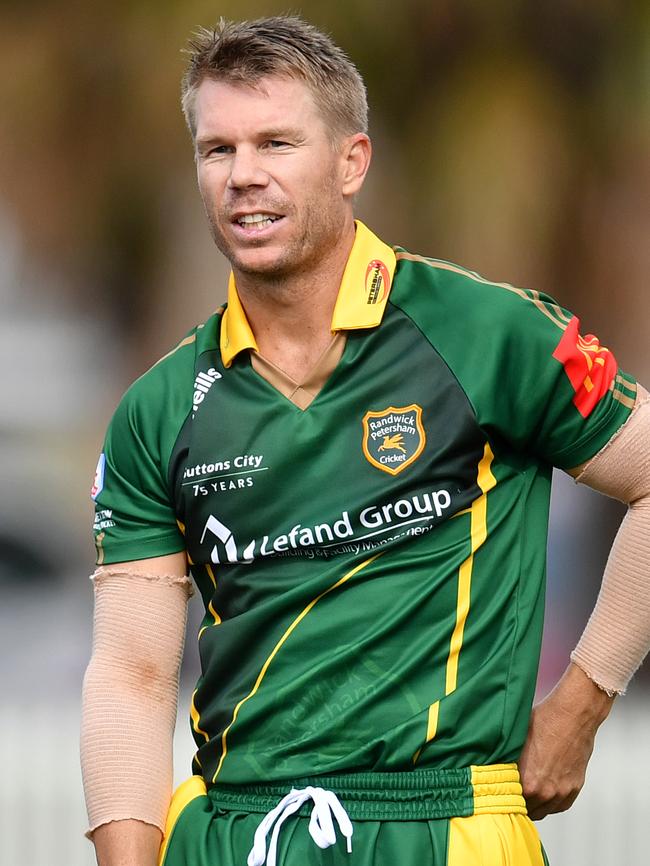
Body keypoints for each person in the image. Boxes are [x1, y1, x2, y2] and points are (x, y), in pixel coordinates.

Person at [81, 15, 650, 866]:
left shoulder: (486, 333)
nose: (244, 177)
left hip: (446, 823)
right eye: (217, 150)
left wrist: (582, 702)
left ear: (353, 162)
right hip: (236, 832)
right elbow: (131, 674)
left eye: (276, 143)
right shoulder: (160, 409)